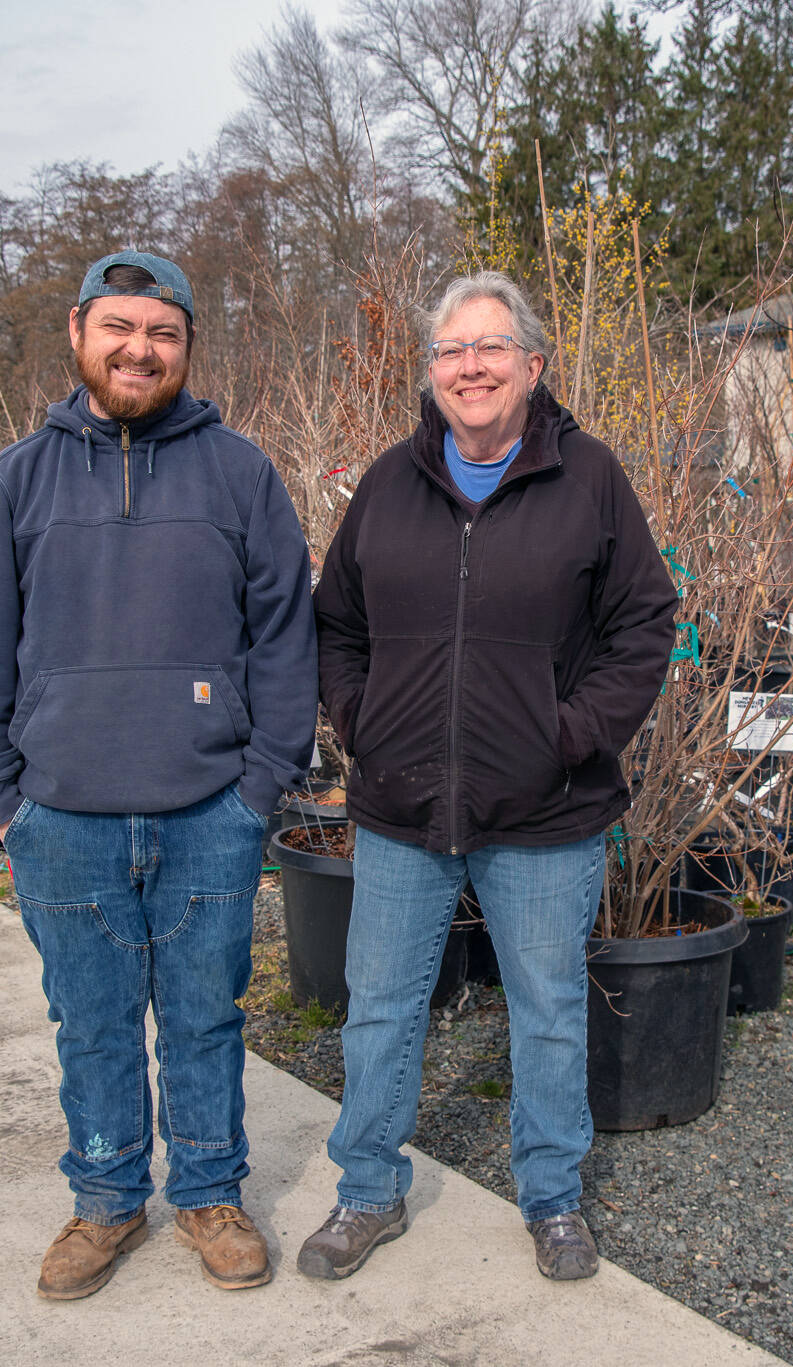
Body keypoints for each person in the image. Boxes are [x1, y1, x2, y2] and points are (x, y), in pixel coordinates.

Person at [0, 251, 317, 1299]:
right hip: (59, 816)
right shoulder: (18, 477)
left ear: (185, 346)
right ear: (77, 333)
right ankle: (105, 1198)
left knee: (203, 1012)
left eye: (161, 332)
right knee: (91, 1017)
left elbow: (285, 636)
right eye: (119, 327)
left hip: (210, 809)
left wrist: (260, 786)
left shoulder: (238, 473)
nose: (137, 348)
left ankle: (207, 1189)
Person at [299, 271, 677, 1282]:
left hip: (546, 811)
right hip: (400, 804)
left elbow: (645, 623)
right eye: (451, 351)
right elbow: (333, 620)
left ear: (531, 364)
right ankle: (366, 1189)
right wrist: (359, 719)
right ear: (430, 374)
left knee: (546, 1006)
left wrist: (571, 733)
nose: (470, 365)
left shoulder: (589, 478)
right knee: (378, 1001)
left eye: (491, 346)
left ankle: (552, 1198)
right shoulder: (388, 483)